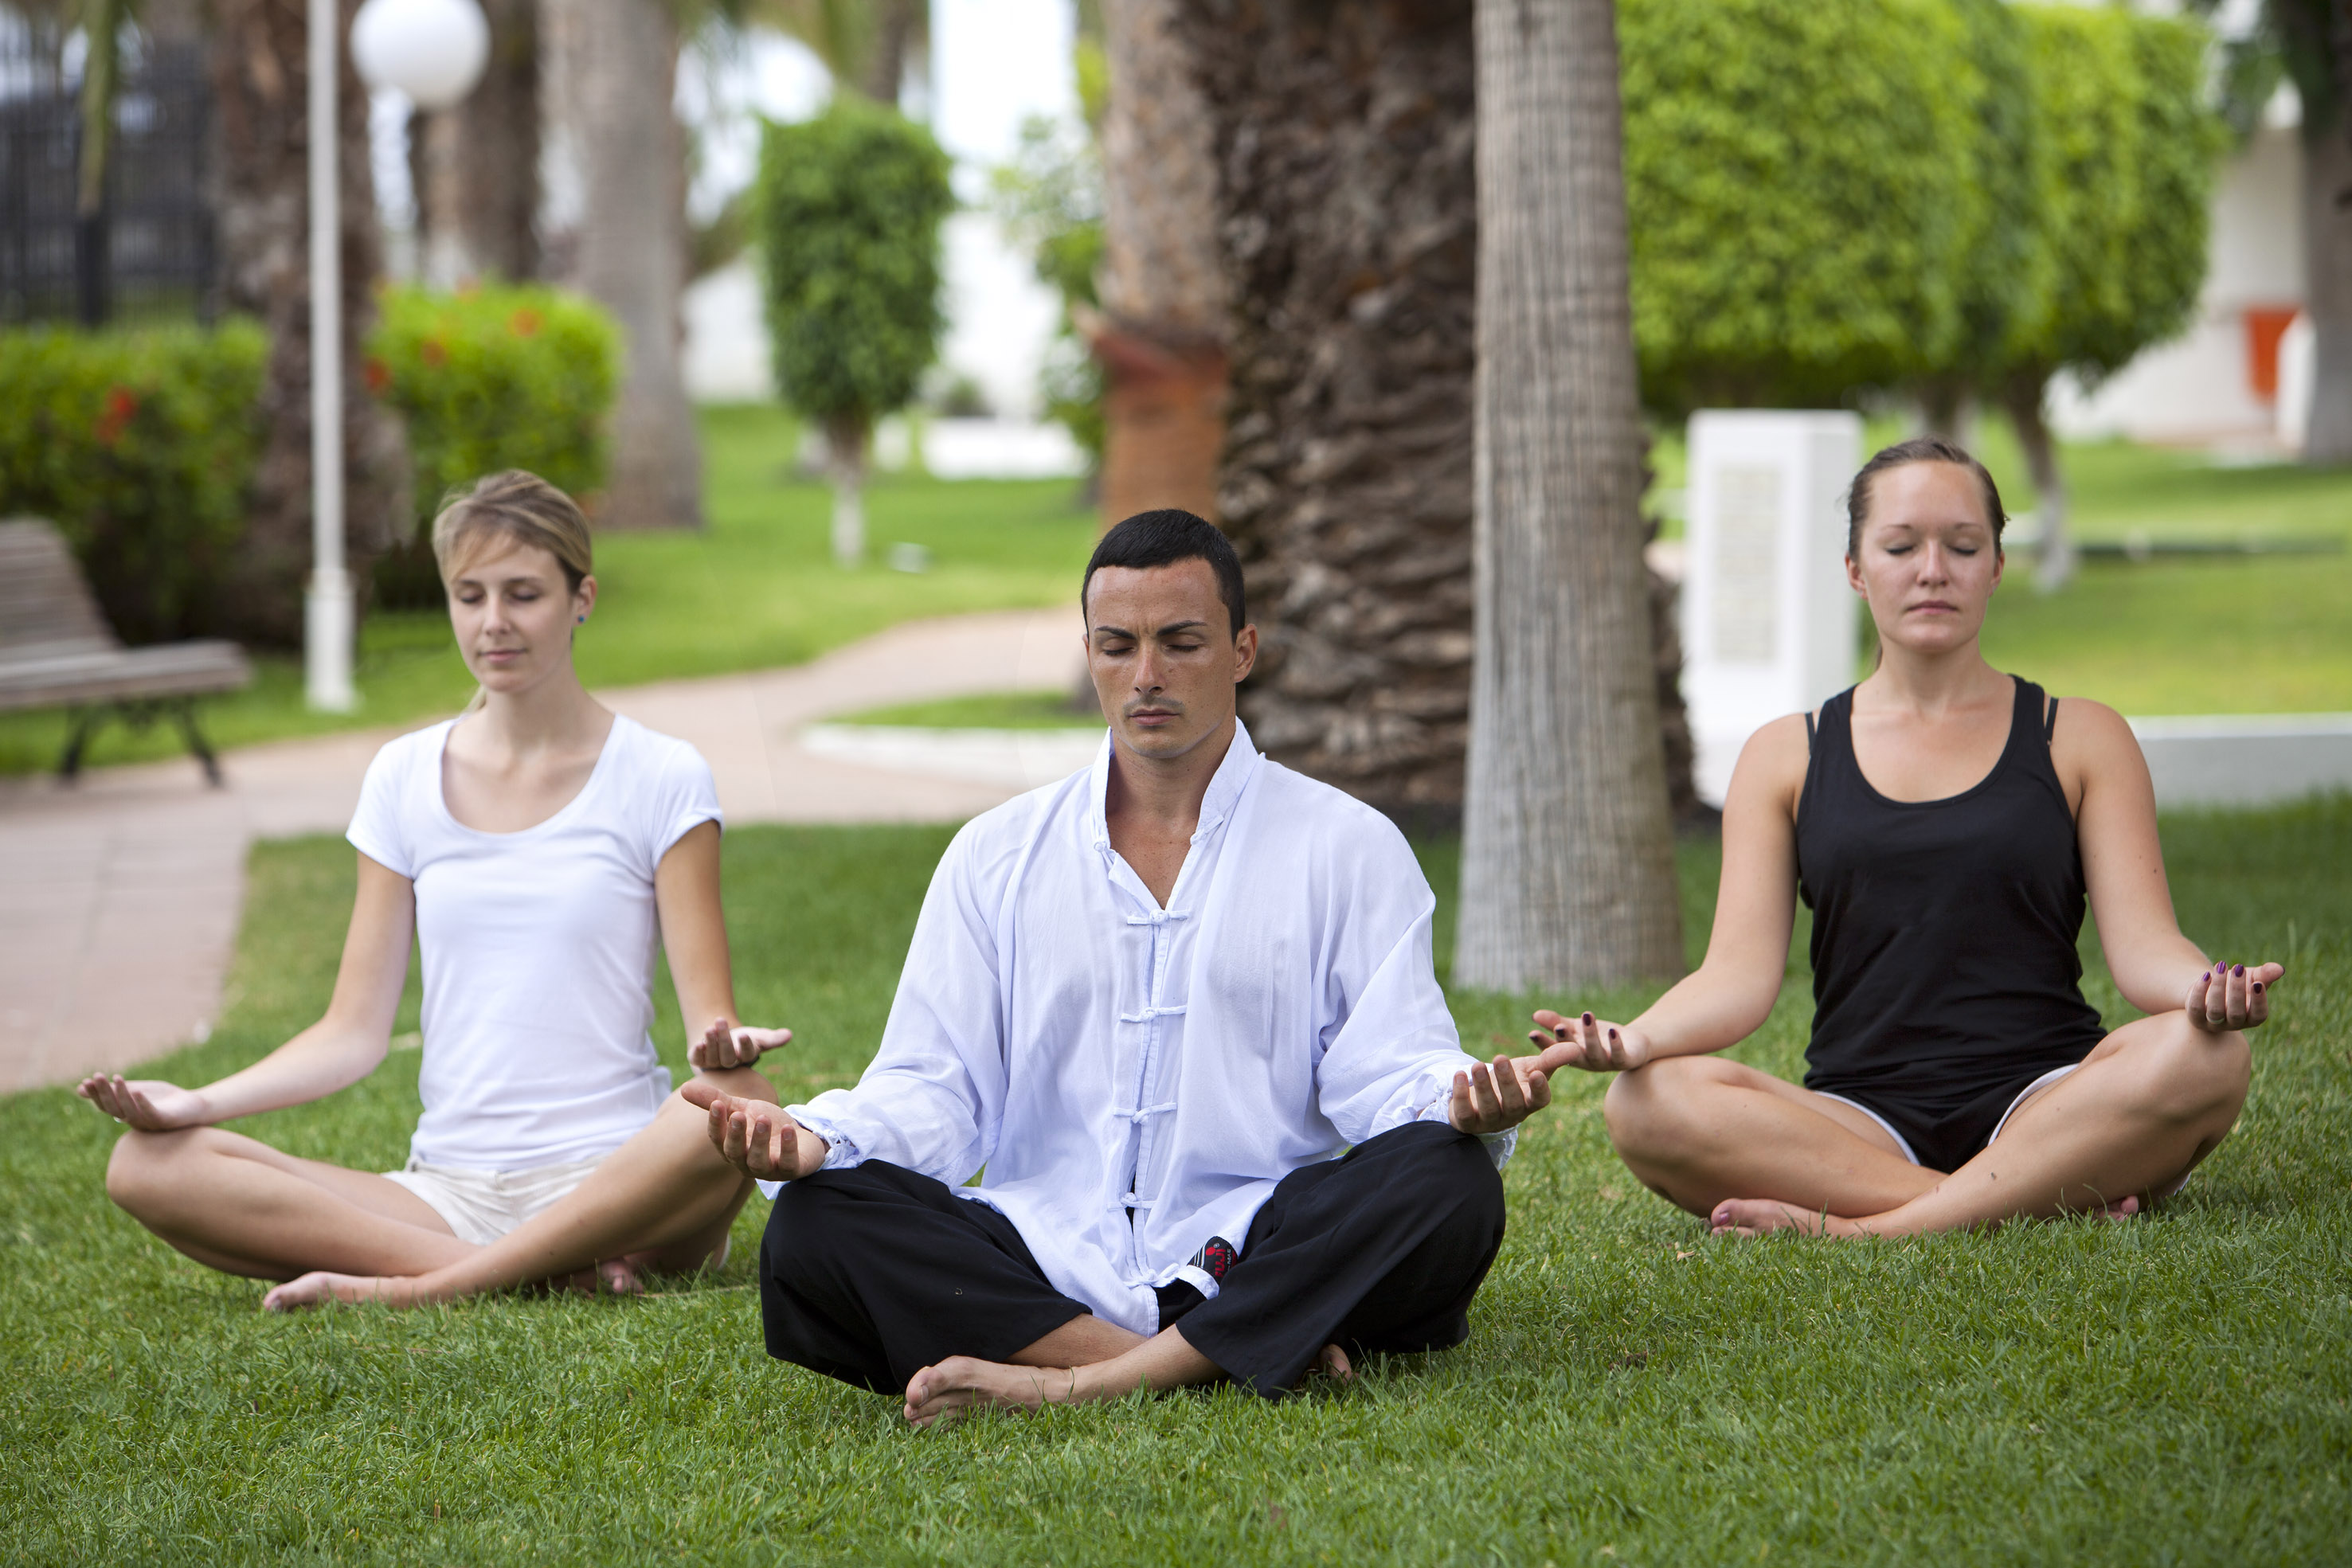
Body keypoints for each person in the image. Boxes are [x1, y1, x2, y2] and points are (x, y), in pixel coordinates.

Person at [687, 509, 1578, 1426]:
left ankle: (1064, 1381)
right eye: (1117, 646)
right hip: (1040, 1252)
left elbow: (1387, 1067)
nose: (1145, 676)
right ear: (1088, 653)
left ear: (1242, 648)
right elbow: (936, 1088)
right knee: (814, 1220)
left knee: (1448, 1180)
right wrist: (818, 1142)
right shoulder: (995, 853)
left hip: (1255, 1240)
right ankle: (1221, 1356)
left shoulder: (1347, 845)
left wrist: (1463, 1099)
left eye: (1179, 642)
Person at [1530, 437, 2281, 1238]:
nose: (1933, 569)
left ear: (1995, 565)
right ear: (1855, 568)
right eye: (1899, 546)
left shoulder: (2081, 736)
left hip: (2049, 1096)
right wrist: (1637, 1037)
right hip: (1857, 1120)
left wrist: (2208, 990)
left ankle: (1869, 1229)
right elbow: (1736, 977)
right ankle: (2028, 1193)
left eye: (1962, 546)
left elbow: (2145, 949)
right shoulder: (1786, 753)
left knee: (2209, 1056)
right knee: (1645, 1101)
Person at [79, 471, 792, 1306]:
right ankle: (520, 1270)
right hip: (447, 1193)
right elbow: (351, 1031)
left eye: (523, 594)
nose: (493, 623)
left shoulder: (662, 775)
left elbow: (715, 1023)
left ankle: (422, 1284)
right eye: (469, 595)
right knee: (146, 1163)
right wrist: (195, 1100)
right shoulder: (403, 777)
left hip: (618, 1177)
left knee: (740, 1100)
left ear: (581, 597)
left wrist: (723, 1046)